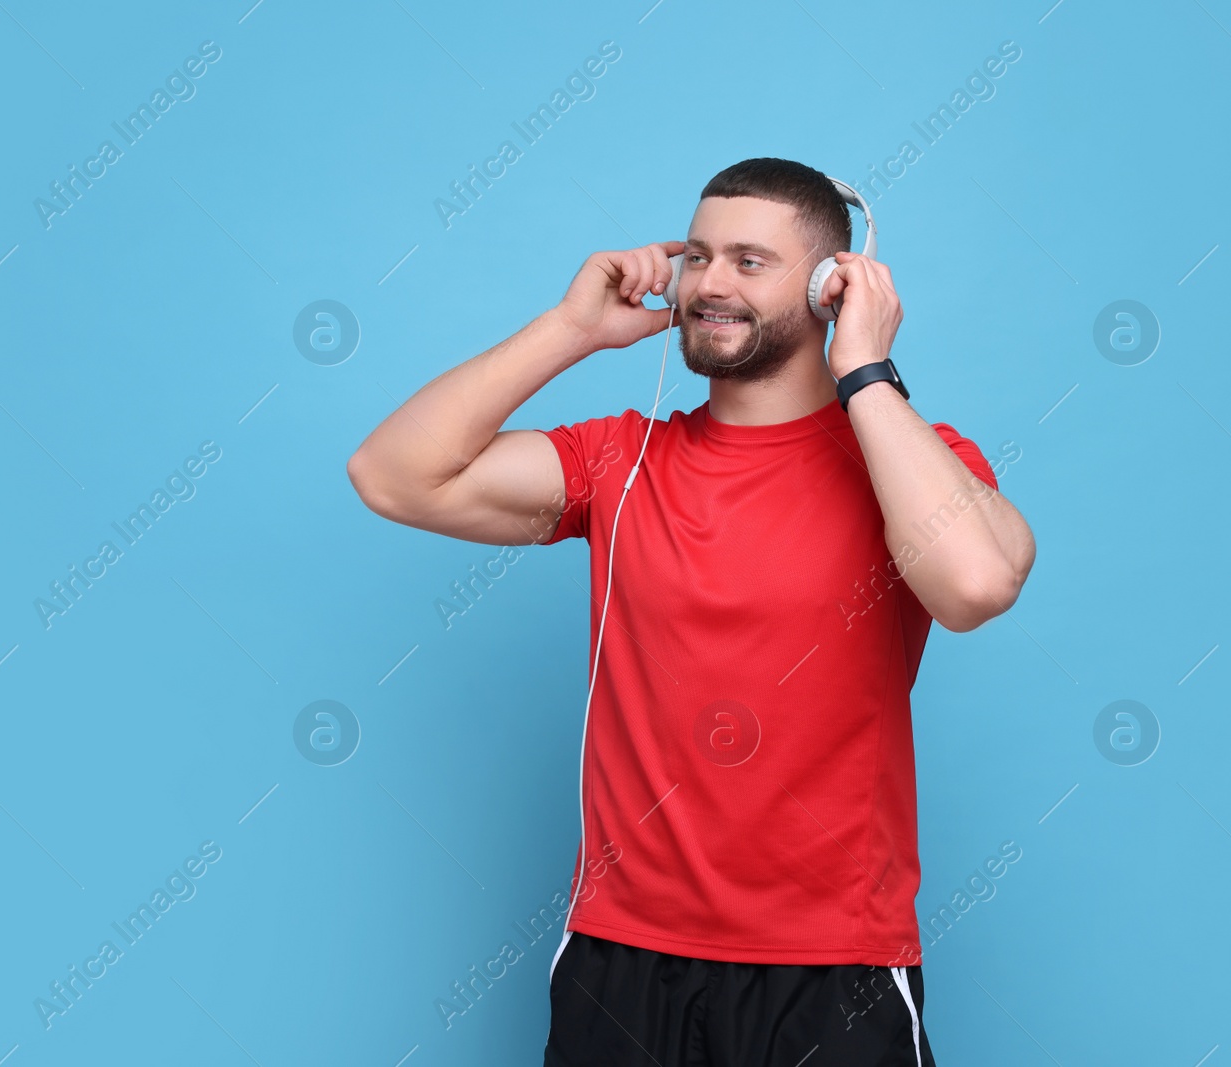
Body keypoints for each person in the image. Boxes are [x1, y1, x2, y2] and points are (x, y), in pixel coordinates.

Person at [347, 157, 1036, 1067]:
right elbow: (392, 475)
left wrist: (865, 370)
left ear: (834, 284)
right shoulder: (621, 462)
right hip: (622, 959)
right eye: (700, 255)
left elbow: (977, 584)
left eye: (751, 261)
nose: (709, 281)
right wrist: (569, 330)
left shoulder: (912, 462)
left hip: (833, 966)